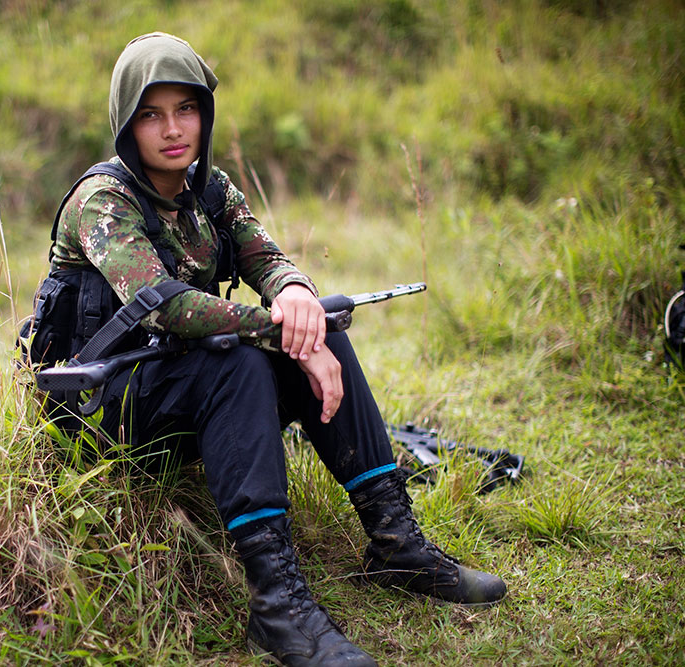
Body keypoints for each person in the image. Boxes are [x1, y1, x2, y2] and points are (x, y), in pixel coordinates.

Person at [34, 33, 506, 666]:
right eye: (151, 114)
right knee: (245, 356)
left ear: (205, 112)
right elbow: (164, 304)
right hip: (96, 404)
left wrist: (296, 298)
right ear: (126, 123)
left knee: (321, 328)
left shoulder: (209, 188)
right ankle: (277, 605)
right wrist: (278, 329)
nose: (173, 129)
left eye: (187, 109)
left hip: (176, 382)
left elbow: (268, 257)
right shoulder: (104, 201)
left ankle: (396, 542)